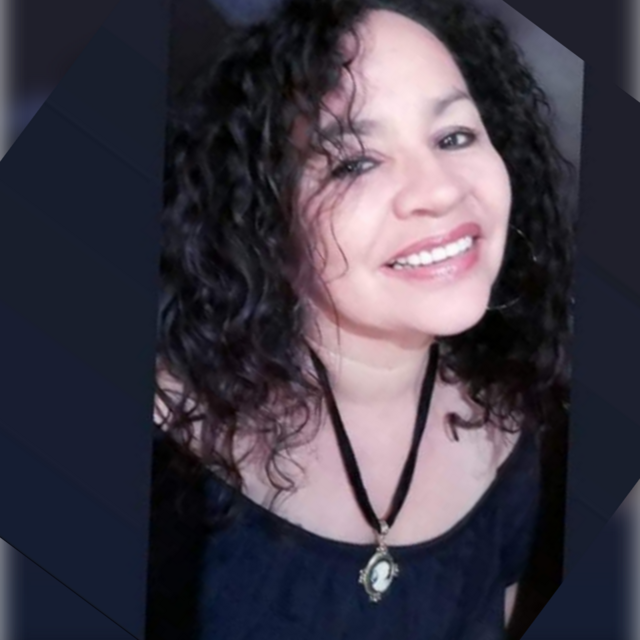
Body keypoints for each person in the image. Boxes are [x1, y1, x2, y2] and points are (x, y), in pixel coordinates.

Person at [148, 0, 574, 638]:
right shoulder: (168, 444)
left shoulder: (514, 417)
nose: (439, 191)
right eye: (354, 162)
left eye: (454, 136)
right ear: (263, 217)